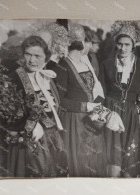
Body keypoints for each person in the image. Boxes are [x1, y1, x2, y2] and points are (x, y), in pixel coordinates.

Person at [0, 36, 67, 177]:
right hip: (27, 143)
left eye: (37, 56)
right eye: (28, 54)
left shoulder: (48, 77)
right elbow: (5, 115)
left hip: (52, 139)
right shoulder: (13, 78)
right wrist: (31, 124)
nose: (32, 60)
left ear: (46, 57)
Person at [99, 21, 140, 177]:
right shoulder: (106, 64)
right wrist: (104, 112)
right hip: (111, 111)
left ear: (133, 45)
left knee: (130, 156)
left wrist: (138, 108)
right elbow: (100, 91)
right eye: (120, 44)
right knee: (112, 157)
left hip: (131, 113)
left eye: (127, 44)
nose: (123, 48)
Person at [54, 23, 107, 177]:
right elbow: (60, 101)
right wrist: (86, 106)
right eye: (86, 40)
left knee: (95, 159)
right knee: (80, 161)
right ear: (82, 42)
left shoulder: (85, 62)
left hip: (92, 118)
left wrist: (98, 108)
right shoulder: (63, 66)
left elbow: (96, 89)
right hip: (75, 121)